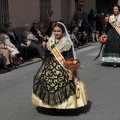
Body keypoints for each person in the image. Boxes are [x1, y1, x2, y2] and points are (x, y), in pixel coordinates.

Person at [32, 22, 88, 111]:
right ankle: (50, 102)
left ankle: (60, 104)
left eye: (58, 31)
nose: (56, 33)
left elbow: (69, 56)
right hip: (49, 64)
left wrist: (70, 67)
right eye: (55, 31)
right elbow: (46, 55)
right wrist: (43, 66)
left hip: (63, 65)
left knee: (62, 83)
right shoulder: (50, 41)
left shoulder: (66, 42)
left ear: (62, 32)